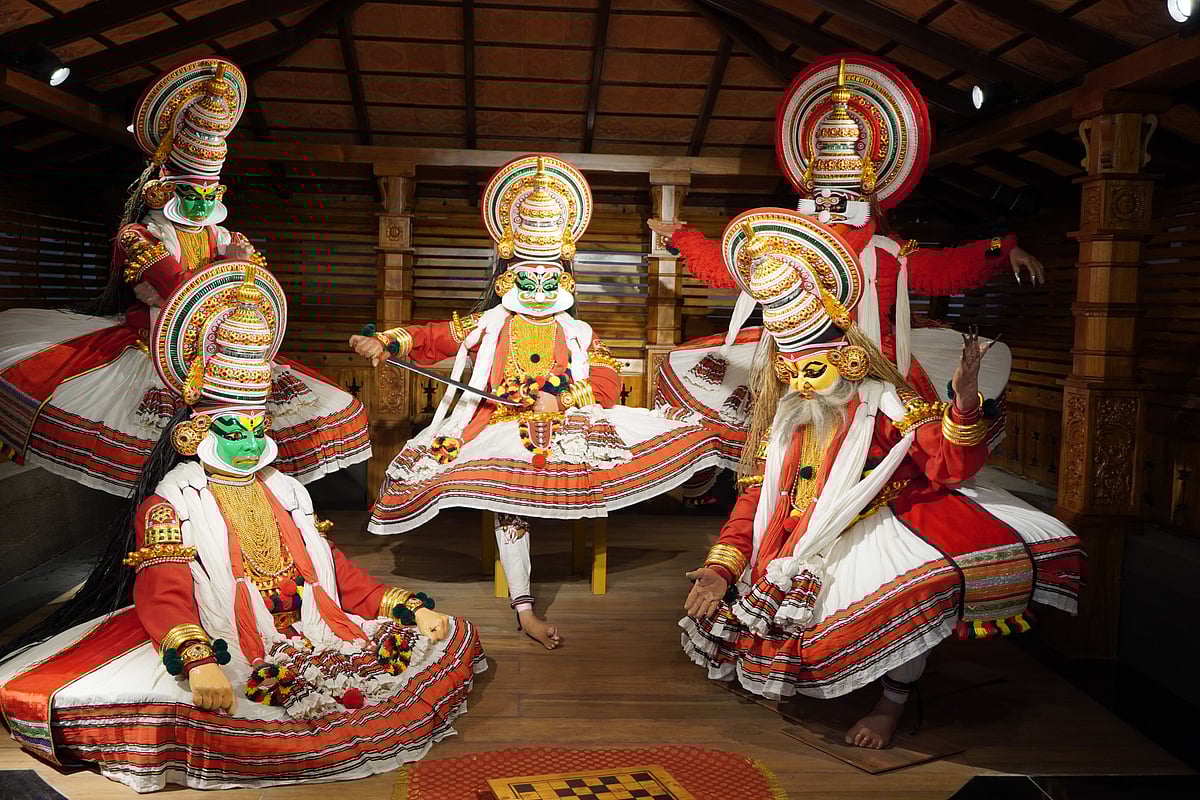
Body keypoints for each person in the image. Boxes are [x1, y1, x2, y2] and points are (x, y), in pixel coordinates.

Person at [0, 261, 484, 792]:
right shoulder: (172, 502)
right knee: (233, 721)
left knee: (449, 638)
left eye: (258, 429)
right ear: (197, 433)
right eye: (235, 431)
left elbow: (334, 572)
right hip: (228, 639)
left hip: (313, 626)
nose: (252, 444)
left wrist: (405, 607)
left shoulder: (285, 488)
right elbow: (163, 592)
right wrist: (199, 662)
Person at [679, 209, 1083, 749]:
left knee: (908, 587)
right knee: (773, 602)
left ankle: (893, 701)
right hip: (799, 529)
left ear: (848, 361)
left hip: (875, 512)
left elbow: (949, 465)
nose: (803, 385)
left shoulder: (885, 402)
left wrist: (963, 407)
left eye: (813, 370)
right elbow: (755, 497)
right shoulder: (785, 415)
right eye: (790, 373)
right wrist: (719, 569)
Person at [351, 155, 722, 649]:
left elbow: (606, 380)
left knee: (651, 450)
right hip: (498, 426)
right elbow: (433, 337)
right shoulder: (488, 324)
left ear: (565, 281)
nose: (541, 290)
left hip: (568, 427)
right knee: (510, 500)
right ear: (508, 280)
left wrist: (560, 397)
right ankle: (524, 608)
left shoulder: (578, 332)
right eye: (530, 280)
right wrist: (385, 341)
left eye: (551, 280)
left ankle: (564, 571)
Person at [654, 55, 1037, 487]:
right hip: (799, 368)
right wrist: (681, 237)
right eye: (823, 195)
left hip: (874, 367)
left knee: (895, 463)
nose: (832, 205)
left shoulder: (888, 253)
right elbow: (729, 269)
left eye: (844, 195)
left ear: (866, 194)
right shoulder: (787, 247)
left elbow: (943, 269)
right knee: (781, 463)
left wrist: (1000, 250)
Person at [0, 58, 369, 496]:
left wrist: (242, 271)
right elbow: (178, 289)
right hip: (157, 348)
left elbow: (252, 300)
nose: (201, 204)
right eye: (191, 193)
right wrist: (232, 270)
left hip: (224, 352)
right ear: (165, 190)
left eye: (210, 193)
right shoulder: (141, 235)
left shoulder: (225, 235)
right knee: (161, 458)